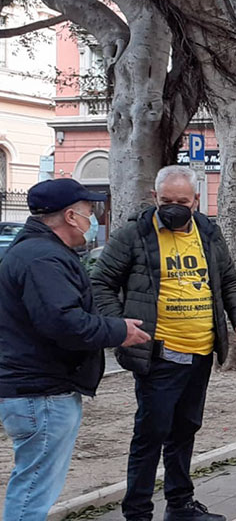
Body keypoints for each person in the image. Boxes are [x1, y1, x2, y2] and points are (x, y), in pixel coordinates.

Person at [91, 166, 236, 521]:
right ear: (155, 198)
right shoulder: (134, 233)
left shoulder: (209, 232)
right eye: (166, 201)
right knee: (151, 434)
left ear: (196, 201)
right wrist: (120, 325)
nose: (174, 207)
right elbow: (101, 282)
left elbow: (228, 280)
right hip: (157, 354)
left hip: (200, 353)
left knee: (185, 430)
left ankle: (180, 505)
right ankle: (138, 512)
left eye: (182, 201)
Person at [0, 179, 150, 521]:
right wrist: (119, 330)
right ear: (70, 216)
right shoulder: (42, 259)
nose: (92, 219)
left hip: (38, 390)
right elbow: (64, 324)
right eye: (88, 212)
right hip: (42, 393)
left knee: (32, 484)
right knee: (33, 492)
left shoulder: (38, 251)